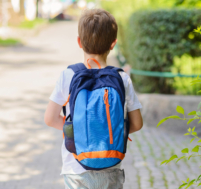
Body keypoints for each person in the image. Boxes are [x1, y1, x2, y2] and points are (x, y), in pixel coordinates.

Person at [44, 8, 143, 189]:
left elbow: (50, 119)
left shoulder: (68, 75)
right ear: (113, 44)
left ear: (79, 42)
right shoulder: (121, 78)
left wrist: (78, 131)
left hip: (75, 167)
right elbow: (137, 124)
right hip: (110, 164)